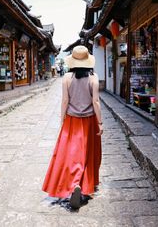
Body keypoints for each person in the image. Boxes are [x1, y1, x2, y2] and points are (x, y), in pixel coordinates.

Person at [42, 45, 103, 209]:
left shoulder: (67, 78)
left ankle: (74, 183)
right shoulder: (94, 78)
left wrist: (62, 120)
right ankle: (85, 184)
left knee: (71, 154)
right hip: (89, 120)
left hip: (72, 121)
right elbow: (96, 102)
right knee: (88, 154)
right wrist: (100, 123)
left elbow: (64, 101)